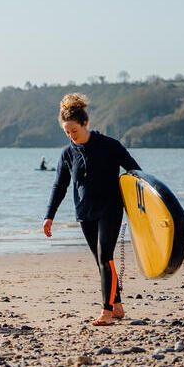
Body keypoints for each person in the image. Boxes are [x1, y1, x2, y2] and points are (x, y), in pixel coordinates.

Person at [43, 93, 141, 326]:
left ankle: (106, 312)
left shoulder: (110, 146)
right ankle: (117, 306)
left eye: (74, 131)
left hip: (110, 208)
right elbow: (60, 185)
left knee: (105, 258)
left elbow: (136, 173)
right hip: (85, 213)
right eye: (67, 133)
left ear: (85, 123)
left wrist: (144, 209)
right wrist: (49, 216)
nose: (71, 136)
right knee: (100, 259)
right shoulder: (67, 154)